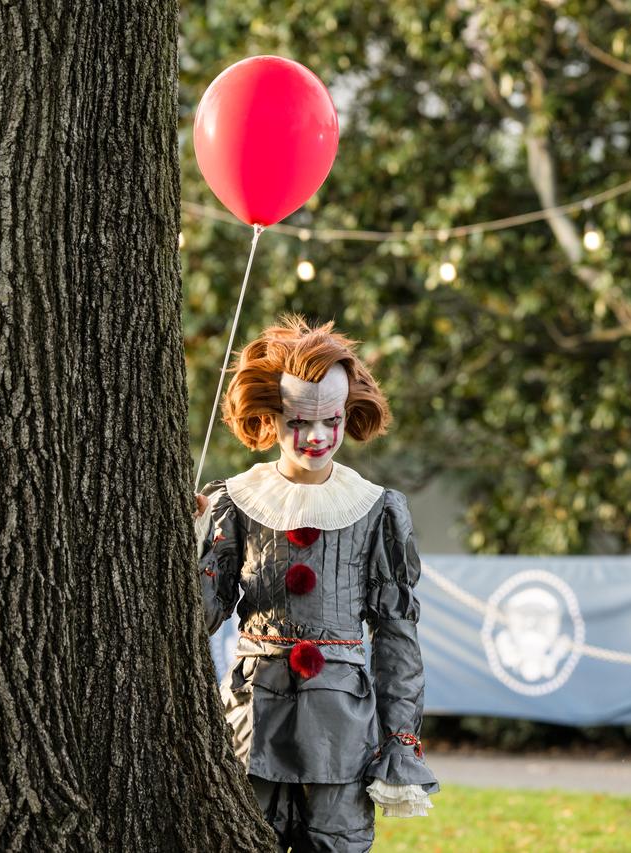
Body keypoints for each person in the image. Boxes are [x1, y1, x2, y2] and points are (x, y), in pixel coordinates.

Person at [193, 315, 437, 852]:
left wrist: (400, 740)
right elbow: (196, 620)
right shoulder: (235, 502)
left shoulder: (377, 511)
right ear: (273, 417)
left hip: (343, 729)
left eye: (331, 419)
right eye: (299, 421)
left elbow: (397, 636)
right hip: (252, 719)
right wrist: (189, 544)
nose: (318, 437)